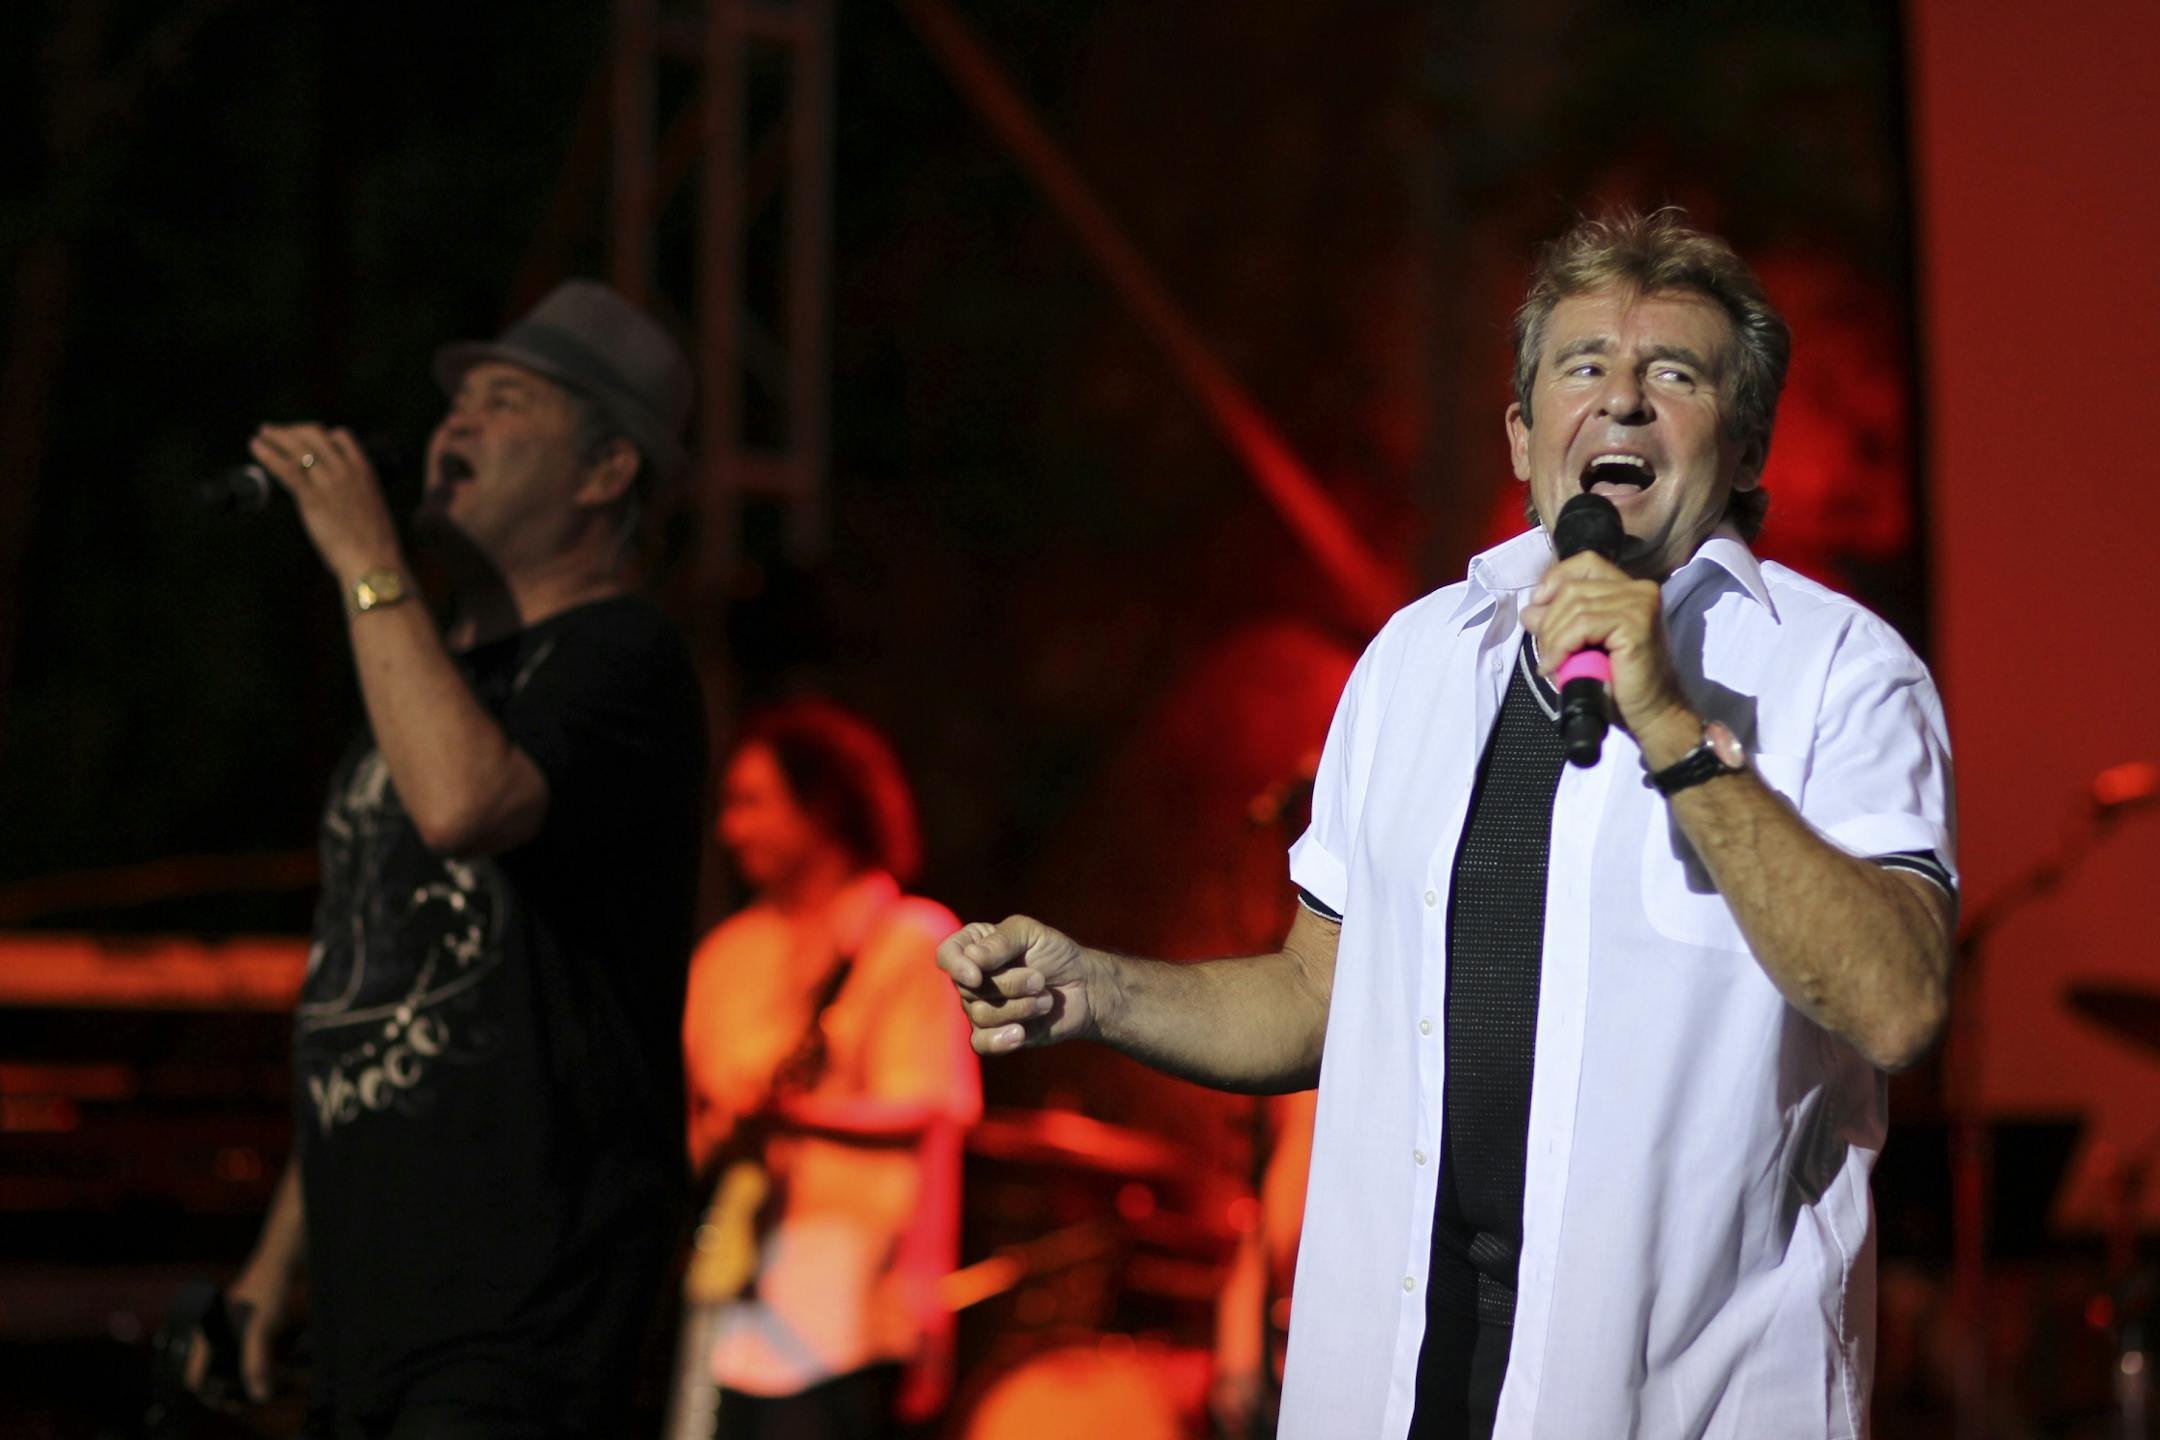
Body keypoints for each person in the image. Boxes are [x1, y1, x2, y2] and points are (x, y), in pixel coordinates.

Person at [939, 209, 1956, 1440]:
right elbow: (1321, 997)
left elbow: (1898, 1003)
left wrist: (1676, 728)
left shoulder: (1838, 673)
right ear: (1525, 435)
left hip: (1678, 1406)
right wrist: (1097, 993)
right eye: (1583, 366)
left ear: (1744, 449)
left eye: (1674, 375)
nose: (1623, 403)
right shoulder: (1413, 662)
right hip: (1396, 1387)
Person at [195, 281, 709, 1438]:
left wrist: (369, 560)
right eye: (455, 403)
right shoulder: (423, 678)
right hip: (371, 1307)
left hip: (525, 1300)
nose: (453, 427)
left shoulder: (621, 658)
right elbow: (362, 999)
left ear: (606, 472)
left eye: (505, 401)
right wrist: (272, 1272)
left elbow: (467, 802)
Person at [681, 700, 982, 1440]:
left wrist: (926, 1306)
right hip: (723, 1303)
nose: (731, 830)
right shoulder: (725, 955)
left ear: (820, 808)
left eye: (752, 802)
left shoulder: (908, 938)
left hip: (844, 1318)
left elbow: (930, 1118)